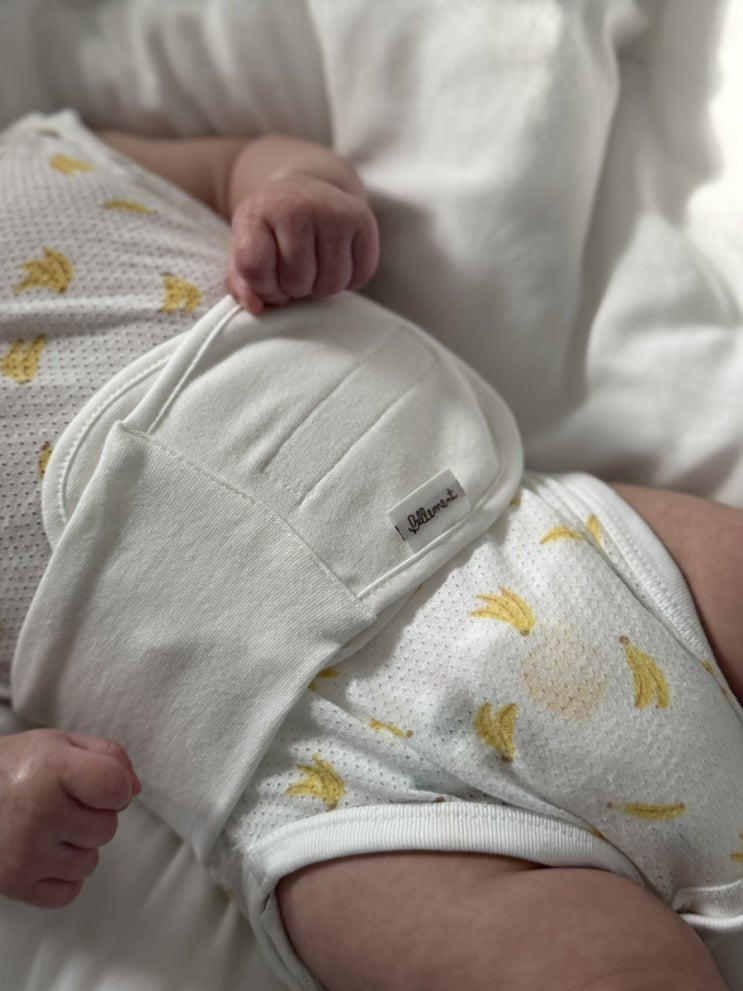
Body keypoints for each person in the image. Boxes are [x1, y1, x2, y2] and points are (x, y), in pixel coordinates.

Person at [0, 109, 741, 991]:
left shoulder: (37, 156)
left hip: (527, 543)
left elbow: (239, 162)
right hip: (334, 786)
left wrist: (294, 194)